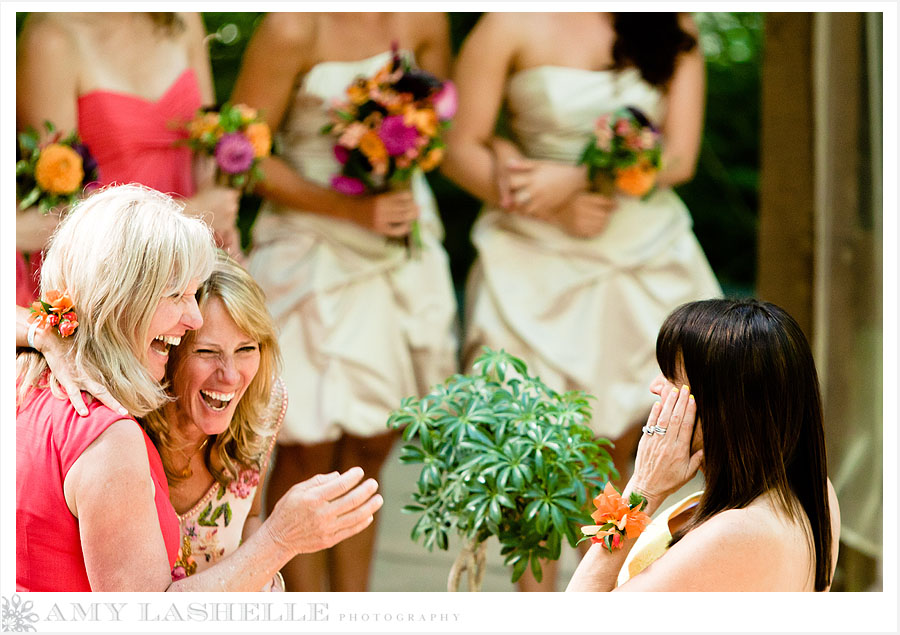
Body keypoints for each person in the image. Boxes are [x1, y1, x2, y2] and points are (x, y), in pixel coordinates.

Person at [441, 12, 721, 590]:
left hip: (644, 250)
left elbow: (680, 157)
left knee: (637, 440)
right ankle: (539, 601)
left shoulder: (672, 24)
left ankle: (608, 591)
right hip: (533, 254)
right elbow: (457, 147)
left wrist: (576, 181)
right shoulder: (505, 25)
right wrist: (542, 199)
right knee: (541, 451)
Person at [16, 184, 382, 592]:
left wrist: (39, 332)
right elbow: (147, 622)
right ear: (126, 299)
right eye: (176, 295)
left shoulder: (23, 378)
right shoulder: (111, 436)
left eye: (247, 348)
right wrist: (280, 540)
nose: (190, 317)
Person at [229, 12, 459, 591]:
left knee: (373, 443)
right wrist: (350, 210)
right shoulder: (291, 28)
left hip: (396, 241)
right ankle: (306, 613)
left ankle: (355, 606)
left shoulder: (425, 19)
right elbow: (241, 155)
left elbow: (436, 125)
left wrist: (400, 159)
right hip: (312, 245)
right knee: (307, 444)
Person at [566, 298, 841, 592]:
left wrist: (642, 490)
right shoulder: (814, 489)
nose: (655, 386)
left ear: (724, 407)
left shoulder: (735, 535)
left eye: (672, 376)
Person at [16, 11, 240, 306]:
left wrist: (221, 225)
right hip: (110, 277)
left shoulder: (182, 18)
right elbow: (54, 213)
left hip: (193, 261)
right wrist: (193, 214)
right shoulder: (52, 38)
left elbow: (207, 135)